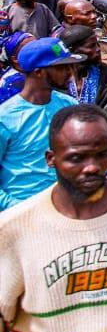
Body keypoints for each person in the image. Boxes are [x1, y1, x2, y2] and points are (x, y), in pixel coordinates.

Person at [0, 104, 107, 332]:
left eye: (102, 154)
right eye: (76, 158)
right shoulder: (15, 226)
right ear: (51, 159)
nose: (92, 167)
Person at [0, 38, 80, 209]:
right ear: (38, 72)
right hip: (21, 213)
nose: (70, 73)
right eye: (61, 67)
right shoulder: (5, 118)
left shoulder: (70, 106)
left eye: (70, 66)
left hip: (67, 209)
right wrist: (20, 210)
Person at [60, 25, 107, 109]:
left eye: (97, 44)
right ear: (72, 50)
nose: (98, 49)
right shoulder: (57, 81)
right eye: (91, 46)